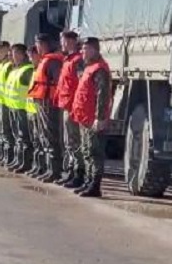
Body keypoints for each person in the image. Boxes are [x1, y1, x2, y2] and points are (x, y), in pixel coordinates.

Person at [71, 37, 111, 197]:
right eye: (82, 48)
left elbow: (103, 95)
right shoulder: (89, 67)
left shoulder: (99, 69)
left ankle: (95, 185)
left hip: (93, 119)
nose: (82, 51)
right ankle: (88, 182)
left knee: (95, 152)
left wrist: (99, 118)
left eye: (85, 48)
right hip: (84, 117)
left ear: (94, 50)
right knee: (87, 151)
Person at [27, 33, 65, 183]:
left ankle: (54, 170)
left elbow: (59, 82)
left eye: (38, 44)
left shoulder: (52, 61)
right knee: (44, 136)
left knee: (51, 137)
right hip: (42, 102)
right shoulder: (45, 60)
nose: (37, 47)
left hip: (49, 104)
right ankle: (48, 169)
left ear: (44, 45)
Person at [54, 31, 85, 188]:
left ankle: (79, 174)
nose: (62, 44)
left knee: (74, 142)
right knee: (68, 142)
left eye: (64, 41)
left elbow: (81, 86)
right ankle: (71, 172)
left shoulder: (78, 60)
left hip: (73, 107)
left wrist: (76, 106)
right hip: (65, 105)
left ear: (71, 41)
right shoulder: (68, 60)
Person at [4, 44, 35, 172]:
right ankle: (18, 160)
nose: (13, 56)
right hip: (13, 107)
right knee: (17, 137)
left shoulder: (27, 70)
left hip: (22, 108)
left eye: (16, 53)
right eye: (12, 53)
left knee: (24, 137)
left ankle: (25, 162)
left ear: (23, 55)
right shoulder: (15, 69)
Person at [25, 45, 45, 177]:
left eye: (32, 56)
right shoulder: (34, 70)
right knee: (35, 141)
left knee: (41, 140)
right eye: (29, 56)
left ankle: (42, 167)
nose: (30, 59)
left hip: (38, 111)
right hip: (31, 109)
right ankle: (36, 165)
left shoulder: (41, 70)